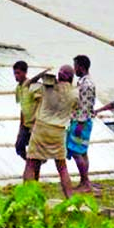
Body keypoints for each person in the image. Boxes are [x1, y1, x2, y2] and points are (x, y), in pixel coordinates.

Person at [23, 65, 79, 197]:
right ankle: (70, 198)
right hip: (59, 132)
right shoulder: (75, 93)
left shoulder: (46, 88)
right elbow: (75, 107)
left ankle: (26, 197)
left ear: (58, 76)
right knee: (62, 167)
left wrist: (42, 75)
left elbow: (27, 85)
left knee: (31, 163)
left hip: (42, 128)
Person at [67, 55, 97, 193]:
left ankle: (84, 181)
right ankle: (85, 180)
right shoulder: (86, 82)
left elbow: (84, 106)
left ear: (80, 67)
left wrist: (79, 123)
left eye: (75, 66)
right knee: (83, 151)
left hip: (81, 121)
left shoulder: (86, 85)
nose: (74, 70)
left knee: (76, 151)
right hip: (84, 120)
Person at [13, 61, 48, 161]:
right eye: (15, 73)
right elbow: (22, 108)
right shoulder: (19, 88)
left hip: (35, 124)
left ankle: (35, 165)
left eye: (18, 73)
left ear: (25, 73)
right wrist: (21, 126)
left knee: (36, 150)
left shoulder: (32, 86)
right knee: (19, 147)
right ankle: (31, 163)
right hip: (25, 124)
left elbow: (40, 103)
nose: (16, 76)